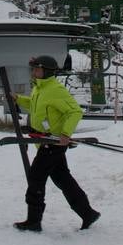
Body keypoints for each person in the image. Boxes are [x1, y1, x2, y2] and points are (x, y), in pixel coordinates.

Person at [13, 54, 100, 232]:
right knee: (63, 179)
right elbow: (35, 106)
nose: (34, 72)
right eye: (34, 69)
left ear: (47, 71)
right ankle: (87, 213)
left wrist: (66, 133)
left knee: (36, 178)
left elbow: (75, 112)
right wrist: (19, 99)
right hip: (45, 141)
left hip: (52, 144)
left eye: (37, 69)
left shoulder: (55, 89)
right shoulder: (40, 88)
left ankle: (34, 221)